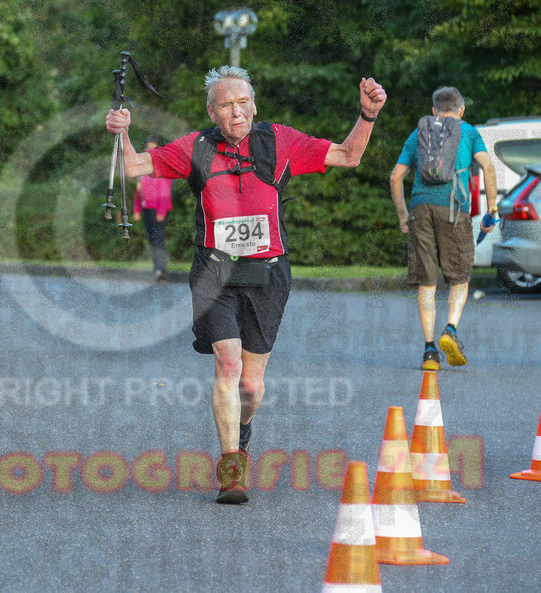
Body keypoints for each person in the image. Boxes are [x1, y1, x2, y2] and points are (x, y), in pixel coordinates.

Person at [105, 66, 387, 504]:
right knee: (228, 365)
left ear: (254, 106)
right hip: (214, 269)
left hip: (268, 272)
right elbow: (132, 166)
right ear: (211, 112)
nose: (236, 113)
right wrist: (122, 132)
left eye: (242, 103)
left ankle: (243, 429)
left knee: (250, 387)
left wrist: (367, 116)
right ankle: (231, 465)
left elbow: (349, 155)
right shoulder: (195, 146)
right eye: (225, 105)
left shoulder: (280, 141)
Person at [389, 86, 497, 372]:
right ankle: (450, 329)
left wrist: (403, 216)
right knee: (460, 277)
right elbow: (488, 168)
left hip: (420, 209)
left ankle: (429, 352)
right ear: (462, 110)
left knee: (427, 283)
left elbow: (396, 177)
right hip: (454, 209)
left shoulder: (419, 132)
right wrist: (492, 208)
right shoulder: (469, 131)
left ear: (434, 110)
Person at [133, 137, 173, 282]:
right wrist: (136, 210)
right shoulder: (143, 171)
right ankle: (156, 268)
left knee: (158, 239)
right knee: (152, 239)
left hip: (158, 210)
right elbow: (138, 192)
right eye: (147, 147)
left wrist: (162, 211)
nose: (149, 150)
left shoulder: (161, 167)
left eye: (153, 147)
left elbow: (165, 191)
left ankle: (160, 270)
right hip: (147, 209)